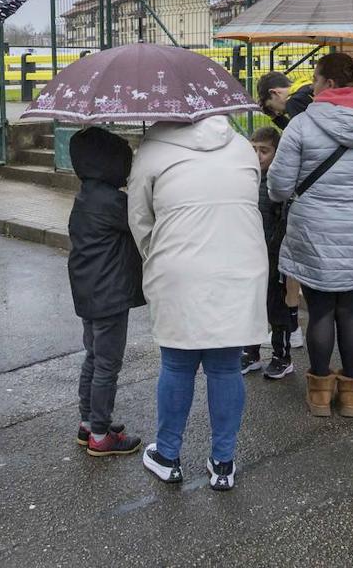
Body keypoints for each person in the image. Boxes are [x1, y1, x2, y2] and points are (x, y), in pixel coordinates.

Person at [129, 115, 267, 491]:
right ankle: (223, 463)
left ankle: (168, 455)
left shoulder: (152, 149)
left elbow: (140, 218)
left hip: (179, 266)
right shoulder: (241, 145)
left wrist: (156, 256)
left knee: (177, 363)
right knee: (225, 367)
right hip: (240, 264)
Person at [268, 53, 353, 419]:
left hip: (313, 230)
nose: (311, 86)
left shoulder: (300, 126)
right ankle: (352, 398)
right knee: (350, 309)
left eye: (314, 78)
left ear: (327, 83)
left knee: (321, 311)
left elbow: (279, 187)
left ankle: (320, 396)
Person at [258, 70, 353, 347]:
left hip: (315, 214)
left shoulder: (300, 108)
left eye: (318, 79)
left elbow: (285, 175)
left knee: (319, 304)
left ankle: (294, 335)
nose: (314, 85)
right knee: (346, 295)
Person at [67, 127, 144, 457]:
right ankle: (101, 433)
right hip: (110, 295)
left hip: (88, 292)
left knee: (94, 357)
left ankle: (89, 423)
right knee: (108, 365)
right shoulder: (114, 202)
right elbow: (142, 223)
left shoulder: (86, 194)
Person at [241, 126, 298, 379]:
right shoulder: (244, 177)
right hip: (249, 251)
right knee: (249, 305)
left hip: (274, 253)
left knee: (276, 306)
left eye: (264, 150)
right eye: (253, 149)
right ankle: (250, 353)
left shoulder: (279, 182)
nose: (258, 155)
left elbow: (285, 219)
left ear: (277, 152)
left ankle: (281, 356)